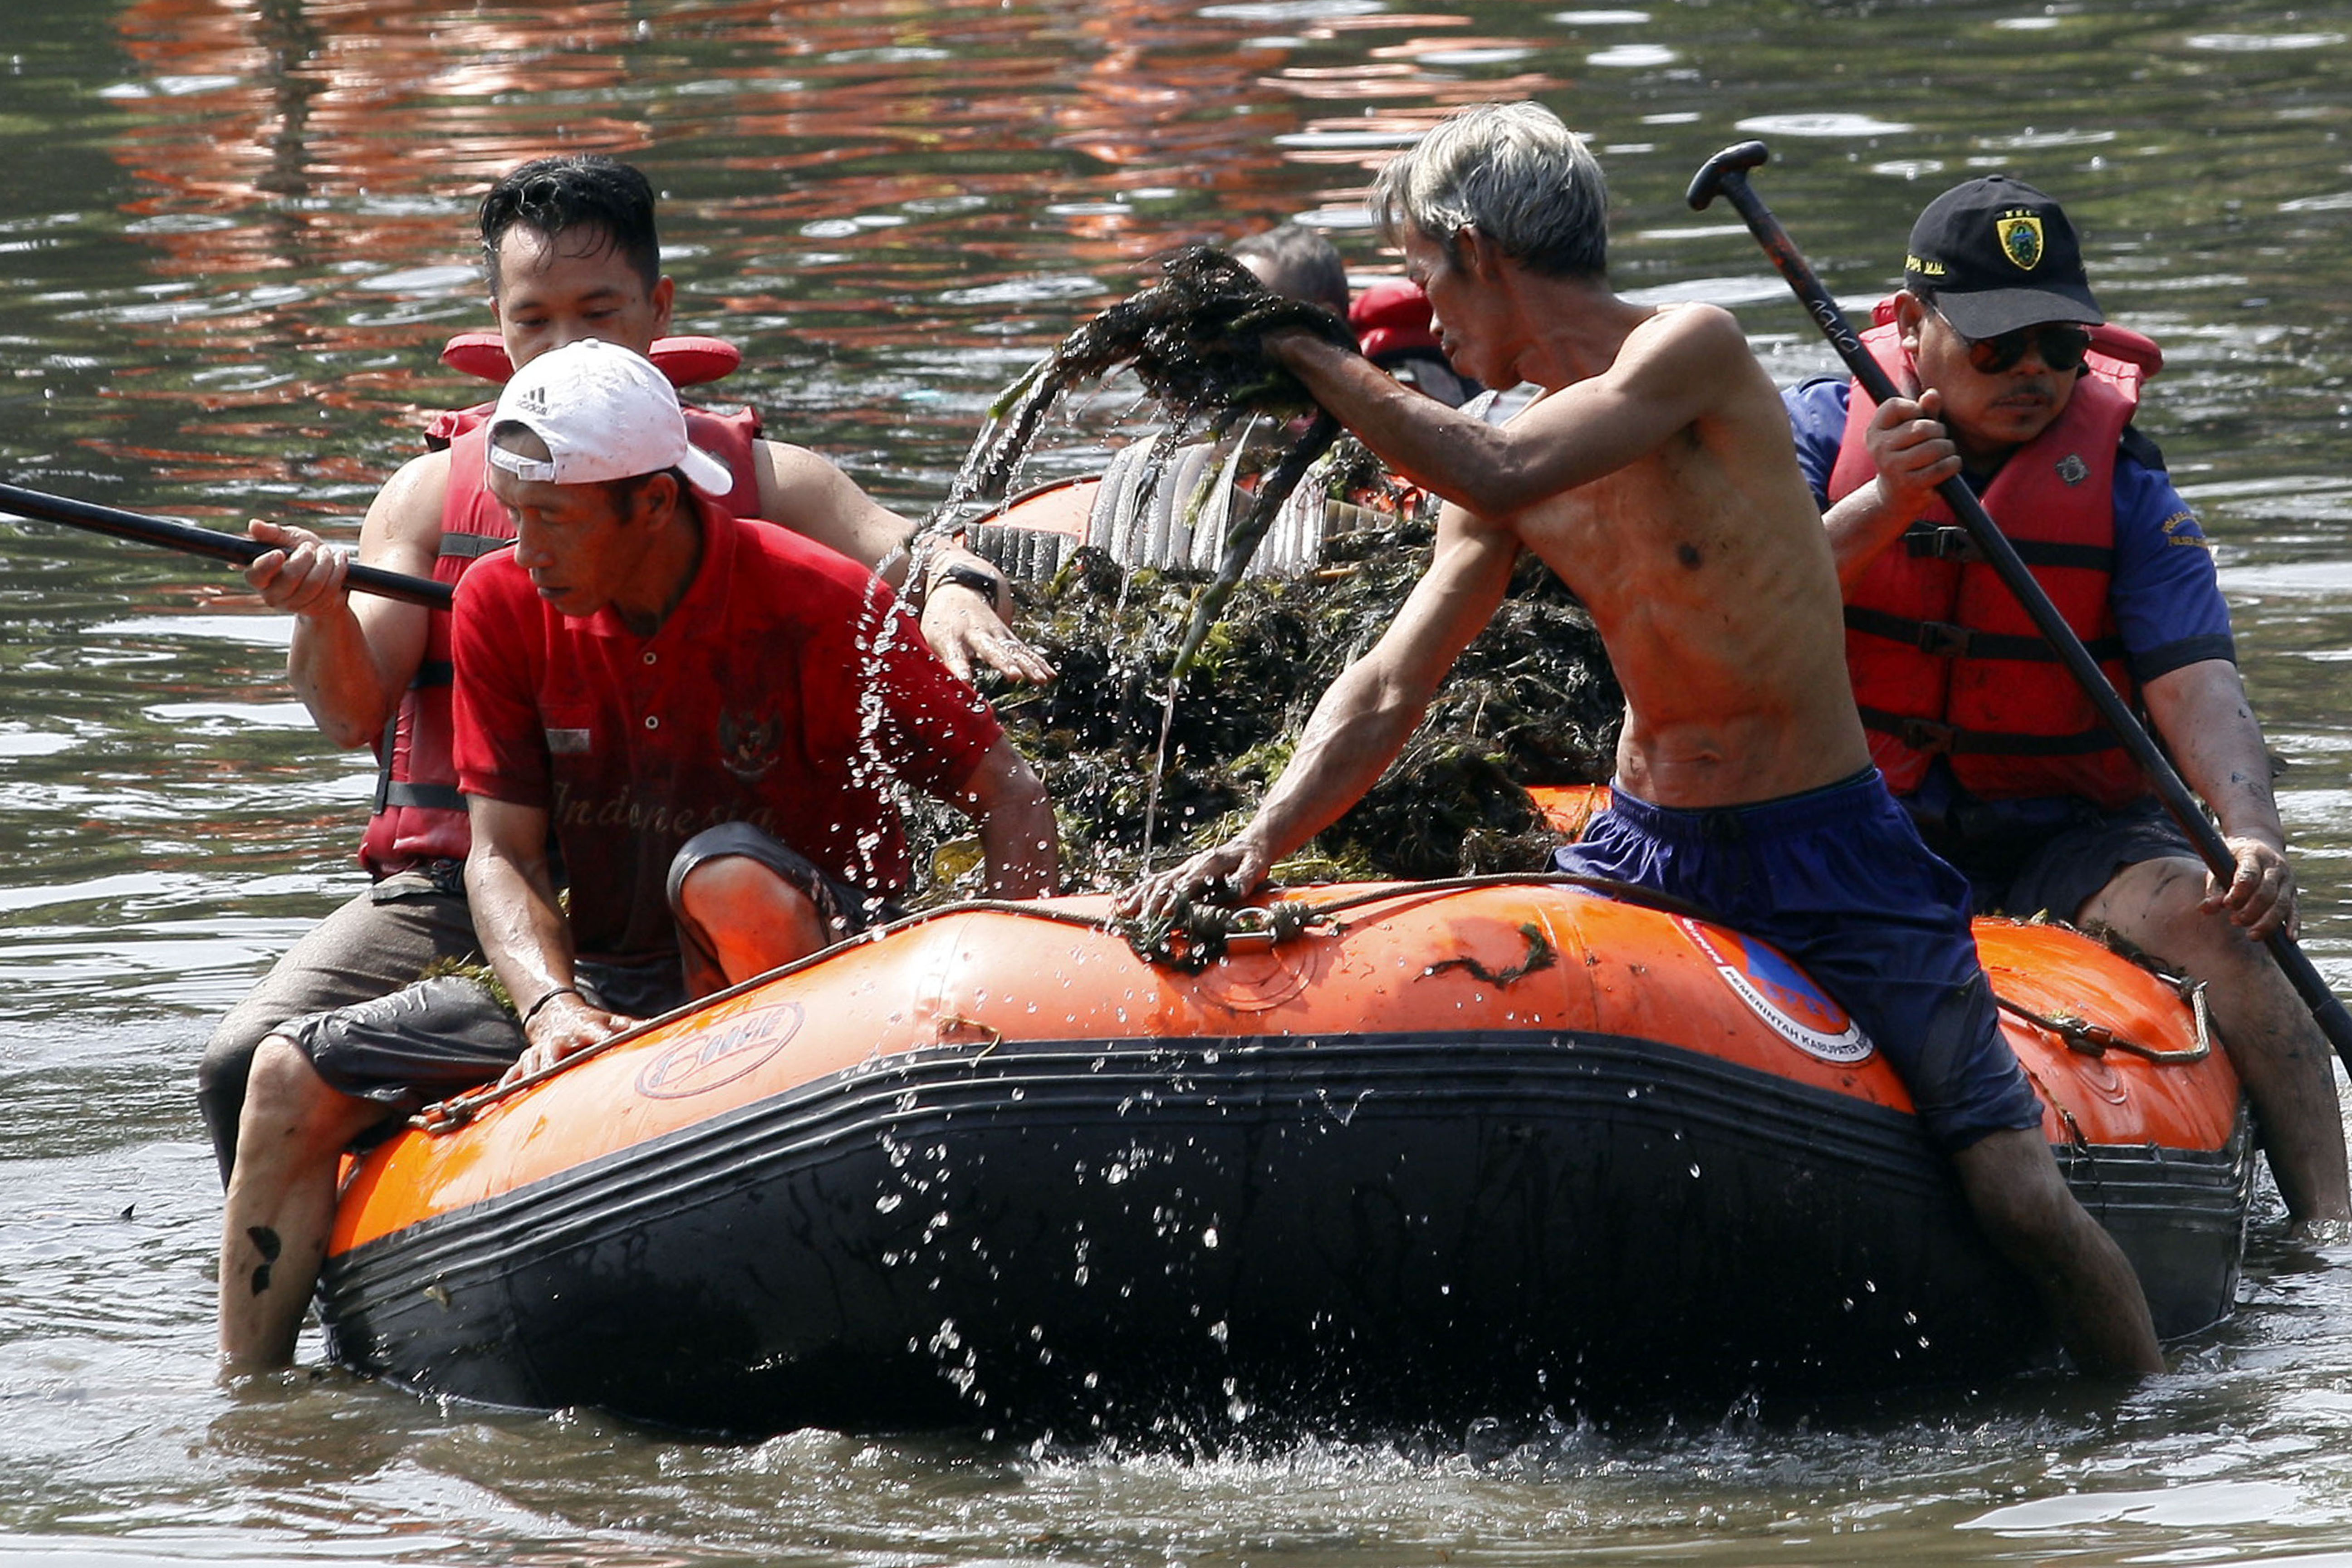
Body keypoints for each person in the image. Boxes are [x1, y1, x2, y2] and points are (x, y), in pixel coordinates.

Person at [1124, 101, 2164, 1374]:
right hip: (1642, 846)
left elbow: (1494, 466)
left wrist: (1301, 347)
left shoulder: (1693, 354)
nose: (1425, 314)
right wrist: (1258, 841)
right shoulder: (1500, 444)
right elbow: (1391, 680)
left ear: (1476, 250)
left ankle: (2141, 1447)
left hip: (1830, 848)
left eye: (1423, 275)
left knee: (2015, 1197)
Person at [196, 154, 1051, 1187]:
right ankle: (368, 1230)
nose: (562, 347)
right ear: (497, 326)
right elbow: (349, 714)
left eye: (597, 315)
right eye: (533, 322)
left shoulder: (759, 481)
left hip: (684, 872)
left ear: (659, 310)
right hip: (471, 880)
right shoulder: (426, 497)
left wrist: (955, 583)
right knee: (241, 1060)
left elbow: (913, 551)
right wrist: (322, 613)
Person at [216, 339, 1059, 1371]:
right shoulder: (499, 607)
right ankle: (254, 1414)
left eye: (553, 521)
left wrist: (1019, 993)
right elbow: (503, 859)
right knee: (279, 1073)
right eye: (513, 516)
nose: (523, 552)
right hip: (617, 978)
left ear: (653, 505)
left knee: (724, 873)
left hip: (817, 964)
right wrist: (551, 1006)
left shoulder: (818, 600)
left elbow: (1008, 795)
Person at [1786, 175, 2350, 1228]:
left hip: (2067, 836)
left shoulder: (2127, 484)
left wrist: (2254, 837)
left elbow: (2200, 682)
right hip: (1857, 822)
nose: (2036, 372)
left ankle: (2333, 1238)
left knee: (2224, 925)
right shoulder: (1815, 441)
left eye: (2058, 343)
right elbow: (1736, 614)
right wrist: (1881, 509)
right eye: (1999, 345)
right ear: (1912, 326)